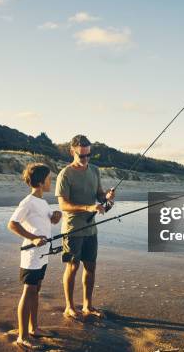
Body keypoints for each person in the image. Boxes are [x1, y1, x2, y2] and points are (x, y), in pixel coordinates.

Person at [55, 134, 116, 320]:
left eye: (88, 155)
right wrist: (88, 207)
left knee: (91, 267)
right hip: (73, 228)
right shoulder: (65, 174)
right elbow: (63, 205)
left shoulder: (95, 170)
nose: (86, 159)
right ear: (72, 152)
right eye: (82, 155)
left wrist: (106, 198)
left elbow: (98, 194)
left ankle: (88, 305)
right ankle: (69, 307)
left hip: (91, 228)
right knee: (72, 268)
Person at [7, 163, 62, 350]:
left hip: (43, 254)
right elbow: (12, 224)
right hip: (31, 255)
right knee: (29, 292)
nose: (51, 181)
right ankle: (22, 337)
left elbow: (48, 221)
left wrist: (56, 216)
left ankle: (34, 328)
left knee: (36, 290)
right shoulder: (28, 202)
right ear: (40, 182)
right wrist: (33, 238)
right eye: (49, 179)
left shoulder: (43, 202)